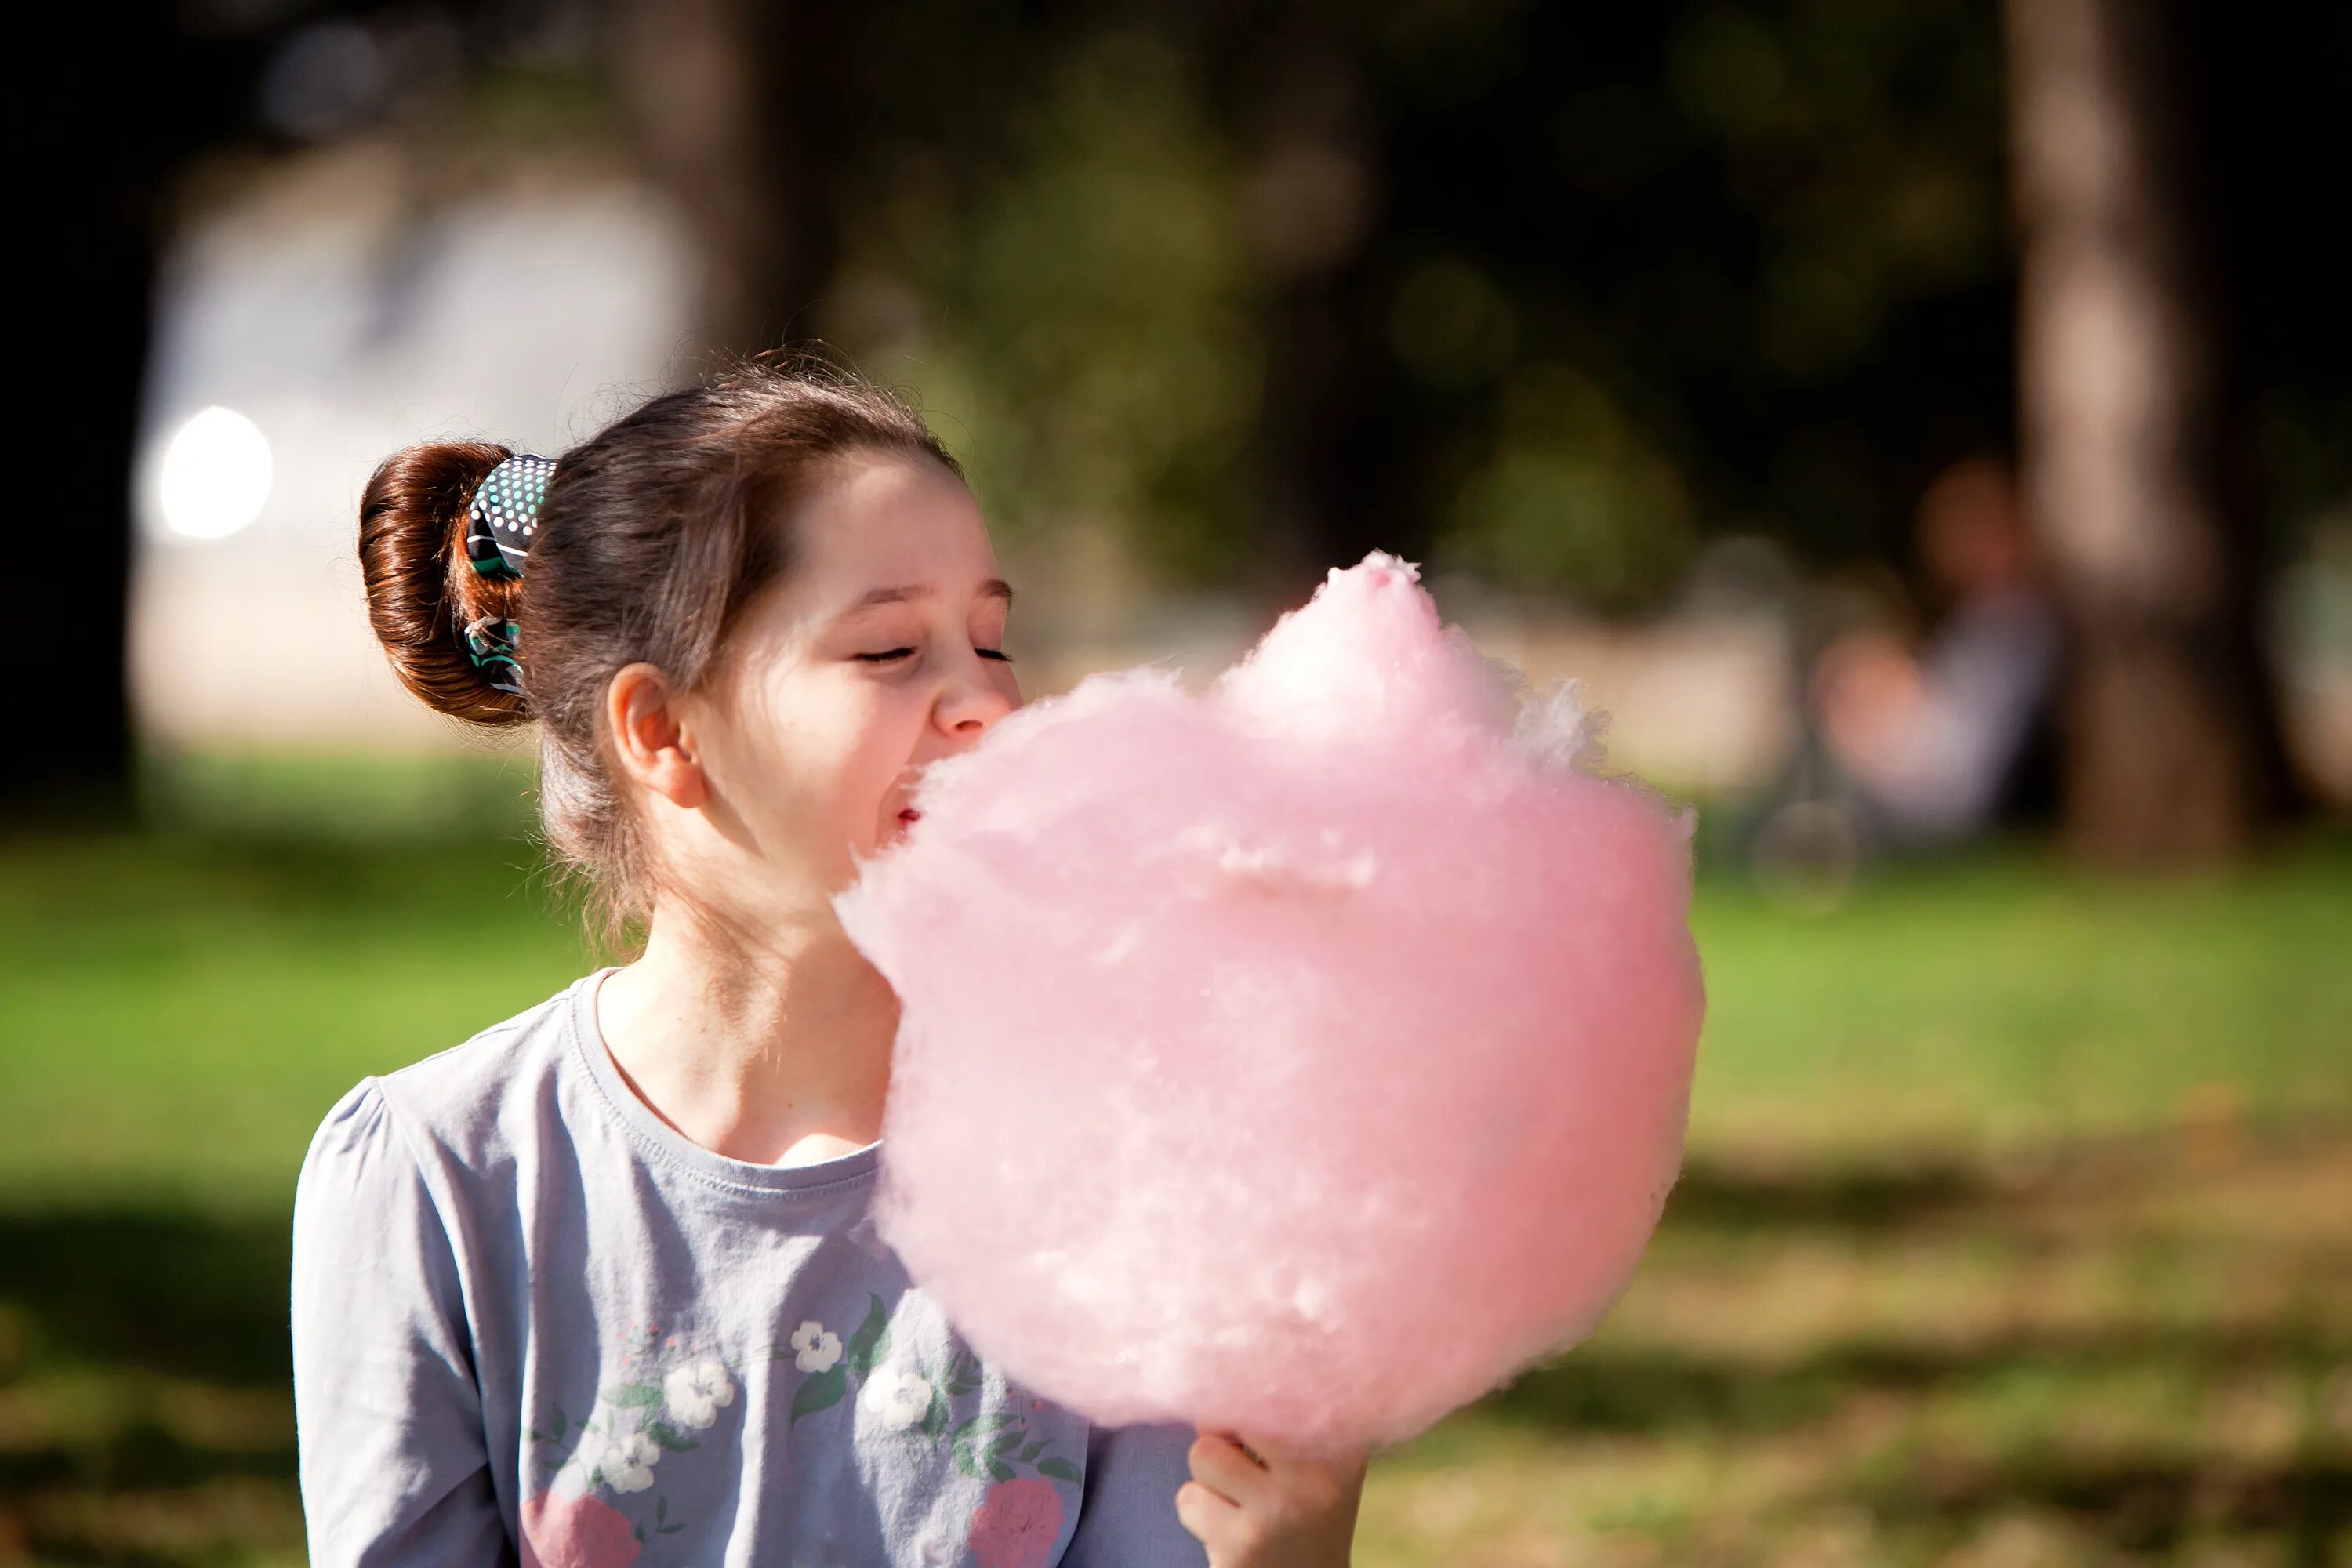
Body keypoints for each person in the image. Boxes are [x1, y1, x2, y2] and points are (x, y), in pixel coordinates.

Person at [294, 354, 1369, 1568]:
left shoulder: (1129, 1169)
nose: (988, 708)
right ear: (663, 731)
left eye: (992, 641)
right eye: (892, 652)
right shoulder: (440, 1181)